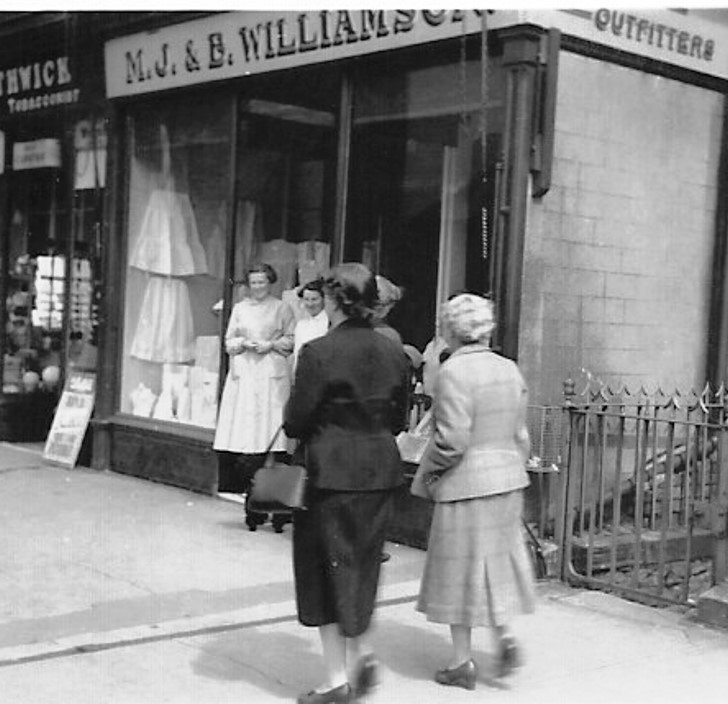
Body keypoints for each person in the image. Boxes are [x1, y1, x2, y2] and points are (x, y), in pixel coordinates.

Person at [284, 263, 409, 704]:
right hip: (378, 471)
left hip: (329, 474)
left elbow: (295, 420)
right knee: (362, 564)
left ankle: (337, 679)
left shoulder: (318, 352)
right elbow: (398, 418)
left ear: (334, 301)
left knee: (322, 572)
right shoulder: (394, 350)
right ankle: (363, 647)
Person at [411, 293, 535, 690]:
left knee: (459, 571)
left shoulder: (452, 373)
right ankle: (505, 636)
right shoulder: (509, 369)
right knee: (497, 563)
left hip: (466, 482)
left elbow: (451, 441)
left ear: (451, 329)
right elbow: (521, 433)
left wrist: (427, 476)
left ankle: (461, 662)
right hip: (507, 476)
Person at [213, 262, 295, 532]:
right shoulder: (240, 308)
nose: (258, 287)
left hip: (272, 374)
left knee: (274, 439)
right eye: (253, 283)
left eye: (262, 282)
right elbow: (228, 342)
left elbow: (290, 340)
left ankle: (279, 510)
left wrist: (270, 344)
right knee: (250, 437)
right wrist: (244, 344)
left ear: (270, 282)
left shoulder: (282, 308)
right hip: (247, 374)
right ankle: (254, 507)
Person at [292, 278, 329, 372]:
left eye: (314, 299)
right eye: (306, 299)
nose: (310, 304)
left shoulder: (329, 324)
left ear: (323, 299)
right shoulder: (301, 325)